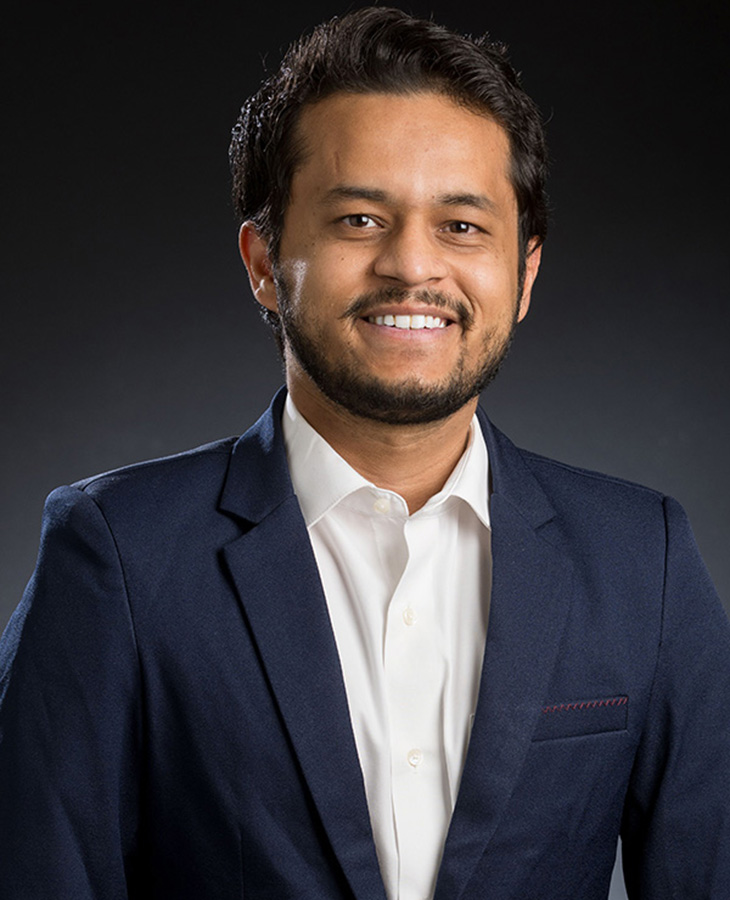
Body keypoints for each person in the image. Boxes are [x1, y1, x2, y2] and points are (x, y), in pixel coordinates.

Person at [1, 6, 728, 899]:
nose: (412, 266)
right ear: (264, 262)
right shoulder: (117, 554)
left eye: (462, 226)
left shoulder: (643, 559)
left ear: (525, 274)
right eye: (358, 218)